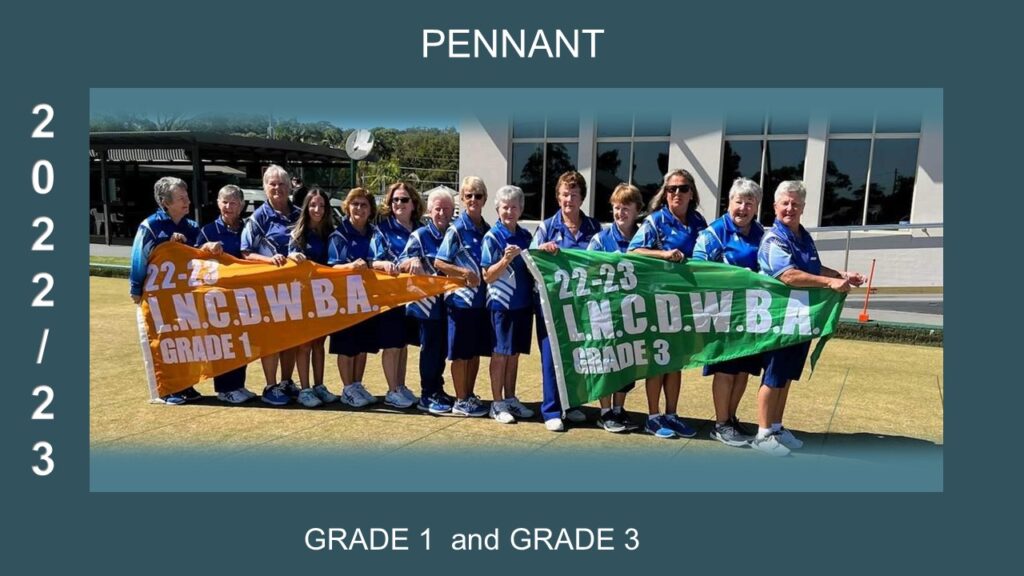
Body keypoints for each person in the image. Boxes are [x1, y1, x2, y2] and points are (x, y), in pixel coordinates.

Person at [753, 180, 865, 456]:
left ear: (803, 208)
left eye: (796, 204)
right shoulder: (773, 239)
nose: (790, 208)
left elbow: (812, 267)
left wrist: (840, 275)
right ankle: (763, 433)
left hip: (802, 318)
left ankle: (777, 426)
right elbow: (788, 274)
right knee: (773, 375)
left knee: (787, 375)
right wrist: (829, 284)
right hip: (780, 318)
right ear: (775, 206)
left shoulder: (802, 235)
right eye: (785, 203)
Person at [627, 169, 709, 439]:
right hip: (657, 301)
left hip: (685, 303)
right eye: (672, 188)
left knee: (676, 362)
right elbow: (634, 251)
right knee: (658, 361)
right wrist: (663, 254)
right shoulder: (656, 220)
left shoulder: (698, 221)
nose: (677, 193)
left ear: (691, 193)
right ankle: (652, 417)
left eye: (683, 188)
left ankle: (671, 415)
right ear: (665, 192)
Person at [129, 176, 222, 404]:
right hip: (158, 298)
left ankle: (185, 384)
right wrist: (136, 288)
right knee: (164, 340)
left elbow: (197, 254)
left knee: (187, 340)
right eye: (181, 198)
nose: (187, 201)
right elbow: (139, 259)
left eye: (187, 196)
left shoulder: (191, 226)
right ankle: (167, 389)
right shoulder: (150, 226)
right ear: (165, 201)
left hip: (186, 296)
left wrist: (206, 247)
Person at [692, 177, 765, 447]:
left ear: (756, 207)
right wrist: (735, 276)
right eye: (739, 202)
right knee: (725, 371)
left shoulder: (761, 234)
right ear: (729, 203)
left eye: (749, 203)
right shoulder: (714, 233)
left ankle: (731, 419)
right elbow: (696, 268)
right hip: (722, 315)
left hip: (752, 315)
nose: (743, 208)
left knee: (744, 370)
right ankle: (720, 423)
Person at [531, 171, 602, 432]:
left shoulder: (594, 228)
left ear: (582, 197)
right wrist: (543, 250)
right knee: (551, 356)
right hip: (552, 305)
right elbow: (531, 258)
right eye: (564, 194)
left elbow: (604, 262)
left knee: (577, 355)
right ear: (557, 197)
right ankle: (551, 410)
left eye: (574, 194)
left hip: (583, 304)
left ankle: (570, 404)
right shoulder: (547, 226)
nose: (568, 199)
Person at [240, 165, 301, 406]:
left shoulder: (299, 214)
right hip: (268, 289)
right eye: (272, 184)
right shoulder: (259, 217)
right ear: (265, 188)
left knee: (292, 338)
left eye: (282, 184)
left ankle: (287, 381)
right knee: (271, 339)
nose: (277, 188)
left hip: (296, 288)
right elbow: (245, 252)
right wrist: (269, 260)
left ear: (290, 187)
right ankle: (270, 385)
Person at [587, 183, 644, 433]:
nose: (620, 213)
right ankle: (605, 411)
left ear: (637, 210)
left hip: (632, 313)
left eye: (626, 208)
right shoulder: (601, 239)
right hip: (605, 313)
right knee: (607, 362)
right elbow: (587, 271)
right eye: (616, 208)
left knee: (628, 362)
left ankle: (619, 409)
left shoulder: (644, 238)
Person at [433, 176, 491, 417]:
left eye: (478, 195)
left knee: (474, 352)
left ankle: (469, 395)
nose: (473, 200)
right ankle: (460, 399)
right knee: (459, 353)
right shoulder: (456, 229)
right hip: (459, 302)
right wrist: (464, 272)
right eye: (469, 195)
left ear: (485, 199)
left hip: (481, 302)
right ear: (462, 199)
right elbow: (439, 261)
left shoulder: (487, 229)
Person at [196, 185, 256, 404]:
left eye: (232, 202)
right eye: (224, 201)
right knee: (223, 343)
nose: (228, 206)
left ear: (241, 205)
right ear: (218, 203)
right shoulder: (208, 230)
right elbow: (193, 256)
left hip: (243, 296)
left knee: (242, 342)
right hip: (217, 297)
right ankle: (224, 388)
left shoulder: (248, 228)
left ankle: (238, 384)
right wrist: (205, 247)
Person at [480, 185, 535, 424]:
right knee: (500, 355)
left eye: (514, 207)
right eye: (505, 207)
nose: (509, 211)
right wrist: (505, 259)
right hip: (500, 305)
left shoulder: (525, 236)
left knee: (514, 354)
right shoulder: (492, 237)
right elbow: (487, 276)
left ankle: (511, 397)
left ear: (521, 209)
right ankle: (497, 402)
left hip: (523, 304)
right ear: (497, 209)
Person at [400, 189, 457, 414]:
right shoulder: (420, 235)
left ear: (453, 211)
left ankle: (438, 388)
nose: (441, 213)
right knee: (431, 348)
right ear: (429, 210)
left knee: (442, 348)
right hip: (427, 304)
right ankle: (427, 393)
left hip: (449, 303)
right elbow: (401, 260)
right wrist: (412, 260)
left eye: (446, 209)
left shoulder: (453, 233)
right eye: (437, 208)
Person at [326, 187, 382, 408]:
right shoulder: (338, 235)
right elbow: (331, 267)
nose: (359, 208)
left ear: (370, 210)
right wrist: (351, 266)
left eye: (364, 205)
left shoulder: (375, 232)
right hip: (344, 298)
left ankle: (358, 384)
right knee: (346, 346)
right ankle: (347, 387)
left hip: (367, 297)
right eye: (355, 204)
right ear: (347, 207)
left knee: (362, 345)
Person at [371, 182, 423, 409]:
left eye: (404, 199)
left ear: (414, 203)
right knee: (391, 345)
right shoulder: (382, 229)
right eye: (395, 200)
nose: (399, 204)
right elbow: (375, 261)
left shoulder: (421, 228)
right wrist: (402, 265)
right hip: (390, 294)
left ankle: (400, 386)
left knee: (402, 345)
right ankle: (392, 390)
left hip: (414, 297)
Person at [288, 188, 340, 408]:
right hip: (302, 297)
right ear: (306, 207)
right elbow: (289, 260)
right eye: (313, 205)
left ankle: (319, 385)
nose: (317, 210)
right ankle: (305, 389)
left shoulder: (332, 232)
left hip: (325, 297)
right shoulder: (297, 234)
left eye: (321, 205)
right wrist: (293, 256)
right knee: (304, 345)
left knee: (319, 343)